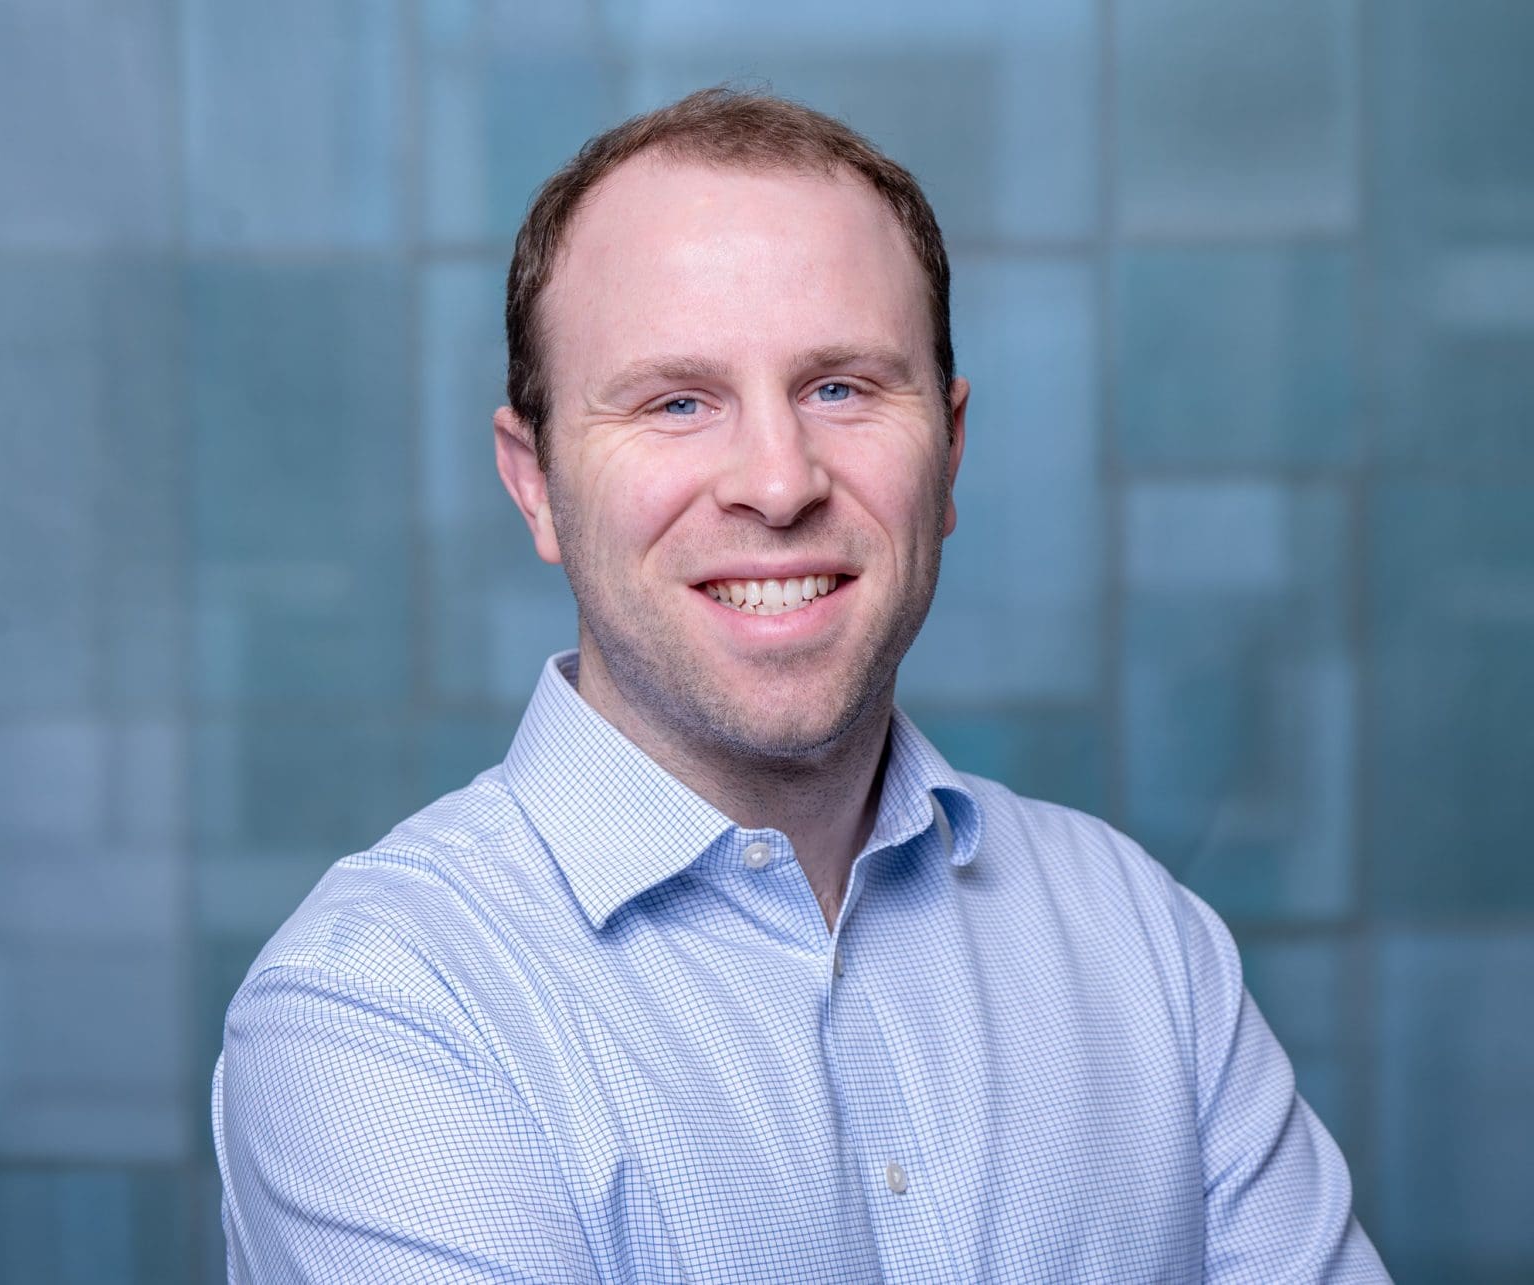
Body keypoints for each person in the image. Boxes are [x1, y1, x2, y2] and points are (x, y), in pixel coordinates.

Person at [213, 88, 1389, 1282]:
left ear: (950, 451)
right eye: (678, 402)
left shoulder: (1138, 936)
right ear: (535, 482)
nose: (779, 484)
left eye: (843, 388)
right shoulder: (382, 1003)